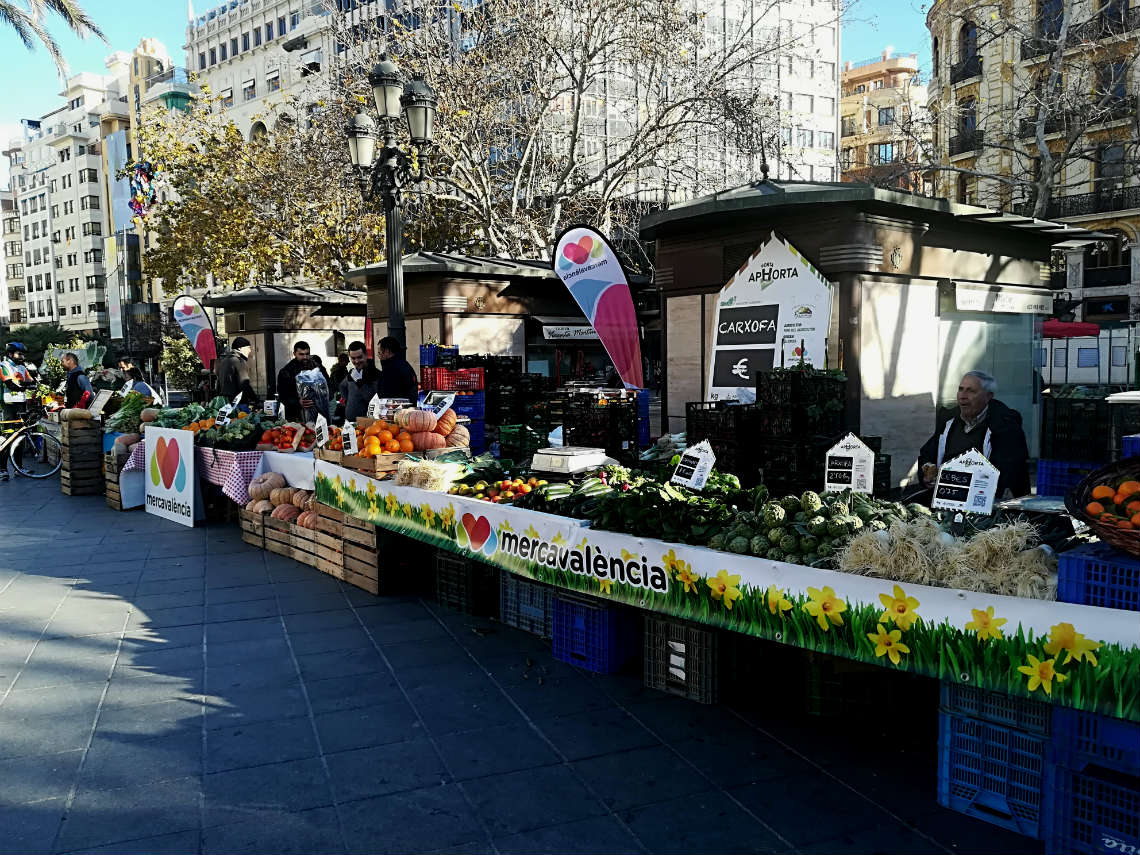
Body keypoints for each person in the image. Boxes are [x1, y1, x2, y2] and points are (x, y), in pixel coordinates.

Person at [918, 370, 1030, 499]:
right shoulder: (948, 421)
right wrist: (926, 475)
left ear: (988, 396)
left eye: (971, 391)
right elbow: (927, 454)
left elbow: (1010, 472)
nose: (963, 396)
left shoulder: (1006, 426)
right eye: (961, 389)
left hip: (986, 500)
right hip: (947, 497)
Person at [1, 342, 38, 482]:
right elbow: (9, 384)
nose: (22, 357)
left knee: (21, 436)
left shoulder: (22, 367)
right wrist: (24, 386)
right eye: (19, 354)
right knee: (8, 437)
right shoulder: (4, 366)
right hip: (8, 404)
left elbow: (32, 382)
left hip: (21, 404)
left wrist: (26, 384)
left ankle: (19, 468)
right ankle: (2, 469)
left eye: (23, 354)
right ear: (10, 354)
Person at [276, 340, 328, 421]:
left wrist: (323, 398)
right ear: (294, 354)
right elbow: (283, 395)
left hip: (319, 413)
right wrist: (297, 402)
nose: (305, 357)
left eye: (307, 354)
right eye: (301, 354)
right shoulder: (286, 371)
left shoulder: (318, 367)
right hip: (296, 414)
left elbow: (329, 385)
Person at [336, 340, 382, 421]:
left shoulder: (375, 374)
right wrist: (347, 401)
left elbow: (373, 400)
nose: (356, 361)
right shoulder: (352, 373)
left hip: (366, 423)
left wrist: (360, 383)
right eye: (353, 358)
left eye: (359, 357)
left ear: (366, 355)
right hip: (350, 421)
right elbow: (342, 386)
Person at [216, 337, 258, 404]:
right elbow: (244, 383)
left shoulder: (223, 361)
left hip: (225, 402)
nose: (250, 350)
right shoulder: (239, 361)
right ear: (240, 348)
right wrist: (255, 399)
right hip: (237, 403)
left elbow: (219, 384)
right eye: (248, 348)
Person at [377, 336, 419, 402]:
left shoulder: (390, 370)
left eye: (379, 353)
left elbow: (385, 395)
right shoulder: (405, 365)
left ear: (387, 352)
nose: (379, 356)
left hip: (395, 409)